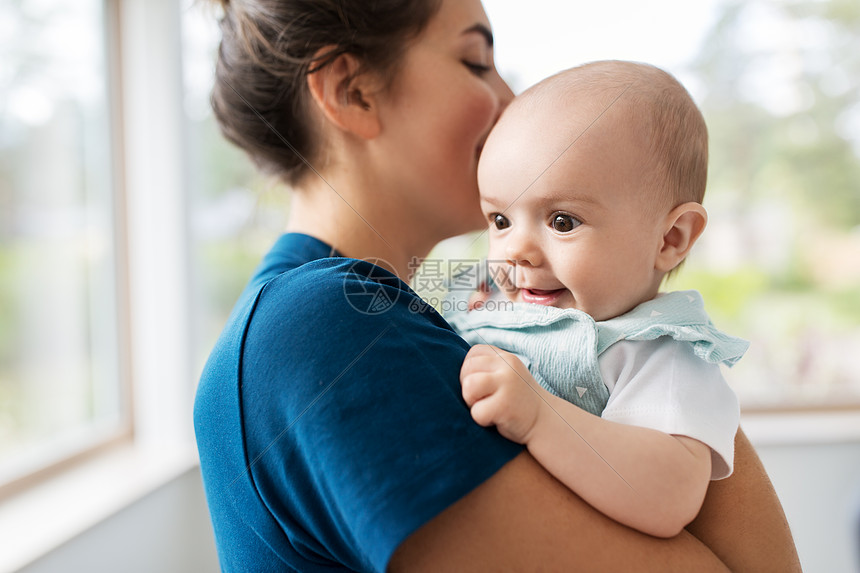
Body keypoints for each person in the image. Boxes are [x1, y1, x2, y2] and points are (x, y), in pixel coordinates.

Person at [193, 0, 801, 571]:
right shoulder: (322, 329)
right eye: (476, 62)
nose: (510, 99)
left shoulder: (433, 312)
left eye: (563, 221)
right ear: (352, 93)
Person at [448, 60, 747, 538]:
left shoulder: (658, 353)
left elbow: (669, 494)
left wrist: (540, 416)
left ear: (670, 238)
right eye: (500, 221)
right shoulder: (481, 297)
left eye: (562, 221)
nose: (516, 251)